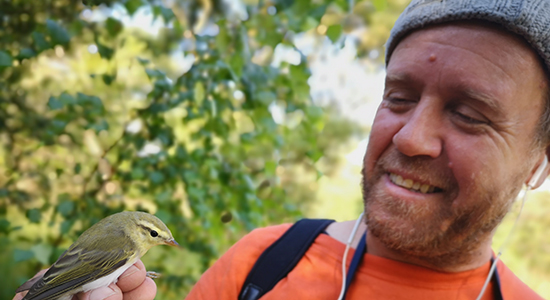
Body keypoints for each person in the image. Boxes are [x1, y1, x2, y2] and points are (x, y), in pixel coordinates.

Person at [12, 0, 550, 299]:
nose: (410, 137)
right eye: (399, 96)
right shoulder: (261, 263)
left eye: (470, 115)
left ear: (540, 160)